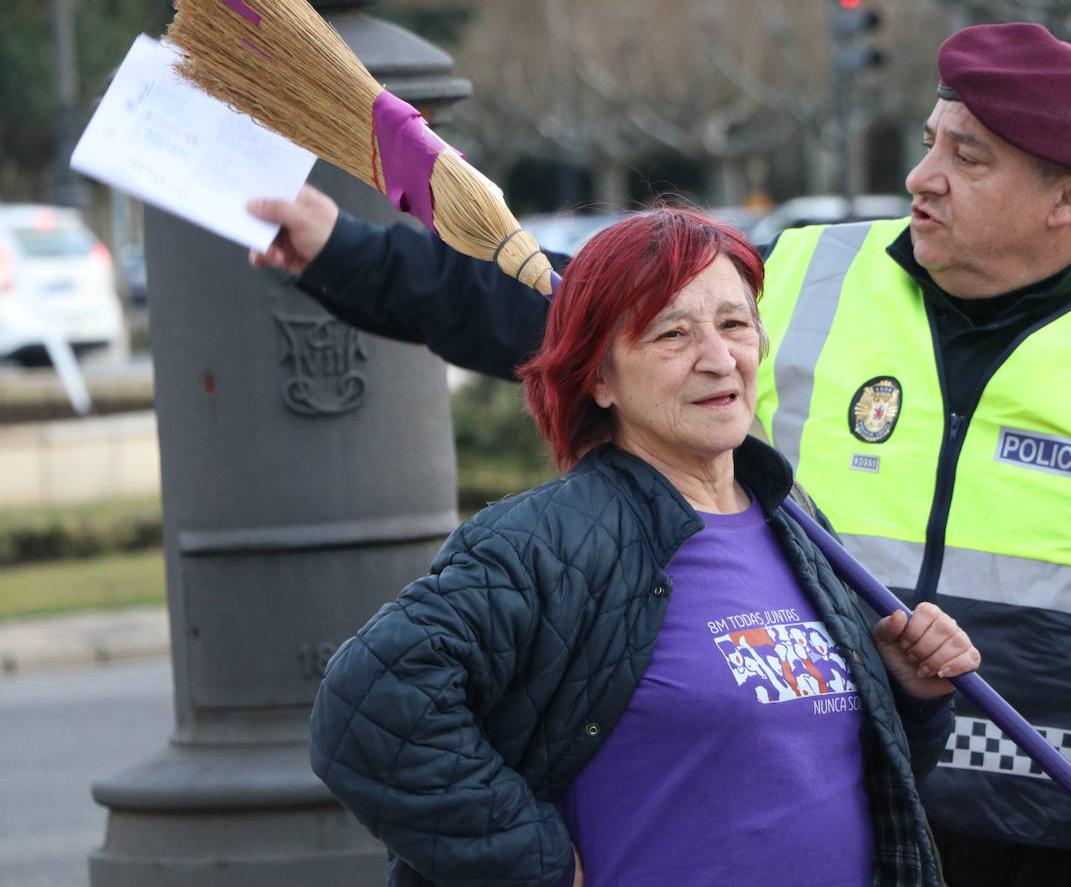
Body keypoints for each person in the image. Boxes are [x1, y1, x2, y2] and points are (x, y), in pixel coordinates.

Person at [257, 23, 1071, 886]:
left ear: (1070, 197)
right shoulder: (806, 273)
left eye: (968, 158)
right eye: (932, 142)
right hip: (843, 815)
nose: (922, 177)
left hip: (1045, 852)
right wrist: (348, 254)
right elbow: (565, 311)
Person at [308, 208, 981, 887]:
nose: (718, 359)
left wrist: (909, 699)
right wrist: (531, 863)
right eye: (672, 333)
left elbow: (819, 767)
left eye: (734, 324)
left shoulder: (797, 521)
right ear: (599, 377)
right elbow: (364, 712)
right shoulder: (546, 542)